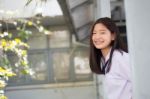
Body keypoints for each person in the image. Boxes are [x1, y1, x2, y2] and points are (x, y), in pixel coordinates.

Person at [89, 17, 132, 99]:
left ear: (113, 36)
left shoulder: (120, 58)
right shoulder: (106, 60)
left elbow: (142, 82)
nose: (97, 37)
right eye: (94, 33)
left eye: (102, 32)